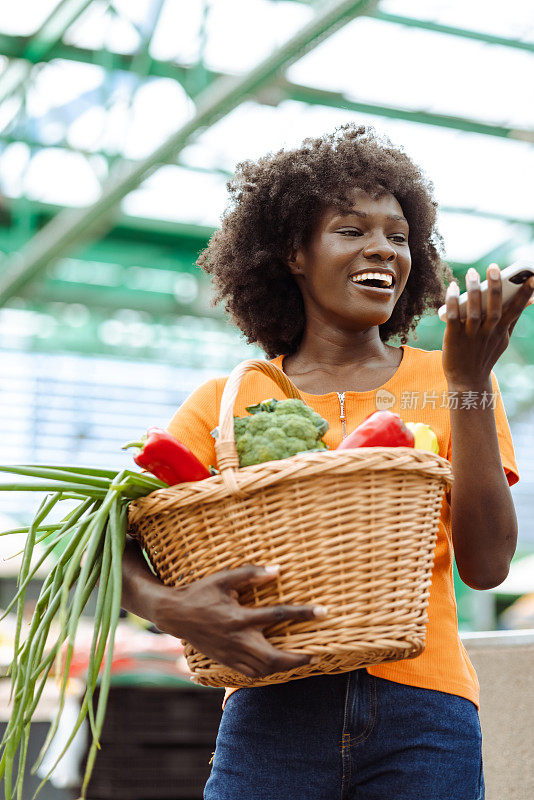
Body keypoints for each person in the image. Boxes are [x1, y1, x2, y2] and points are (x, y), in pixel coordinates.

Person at [121, 125, 532, 800]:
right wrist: (170, 609)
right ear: (292, 253)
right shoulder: (230, 399)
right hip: (269, 712)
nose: (382, 249)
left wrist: (469, 382)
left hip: (426, 713)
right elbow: (106, 545)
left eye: (398, 236)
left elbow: (486, 567)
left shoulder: (448, 377)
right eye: (351, 230)